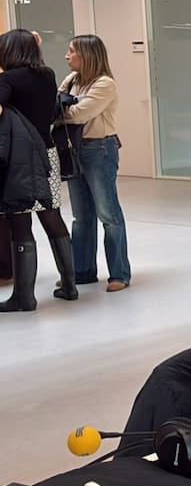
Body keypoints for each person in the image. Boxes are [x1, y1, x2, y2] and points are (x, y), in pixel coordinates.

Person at [0, 28, 68, 312]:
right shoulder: (48, 75)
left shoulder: (8, 79)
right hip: (47, 152)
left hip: (21, 158)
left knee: (20, 220)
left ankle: (24, 297)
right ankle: (70, 284)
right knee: (52, 216)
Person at [60, 33, 130, 293]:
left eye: (71, 51)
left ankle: (119, 273)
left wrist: (62, 109)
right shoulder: (71, 80)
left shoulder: (105, 84)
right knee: (81, 216)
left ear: (86, 55)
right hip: (75, 150)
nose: (67, 56)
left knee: (108, 214)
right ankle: (83, 270)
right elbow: (55, 103)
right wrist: (62, 107)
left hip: (100, 149)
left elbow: (79, 114)